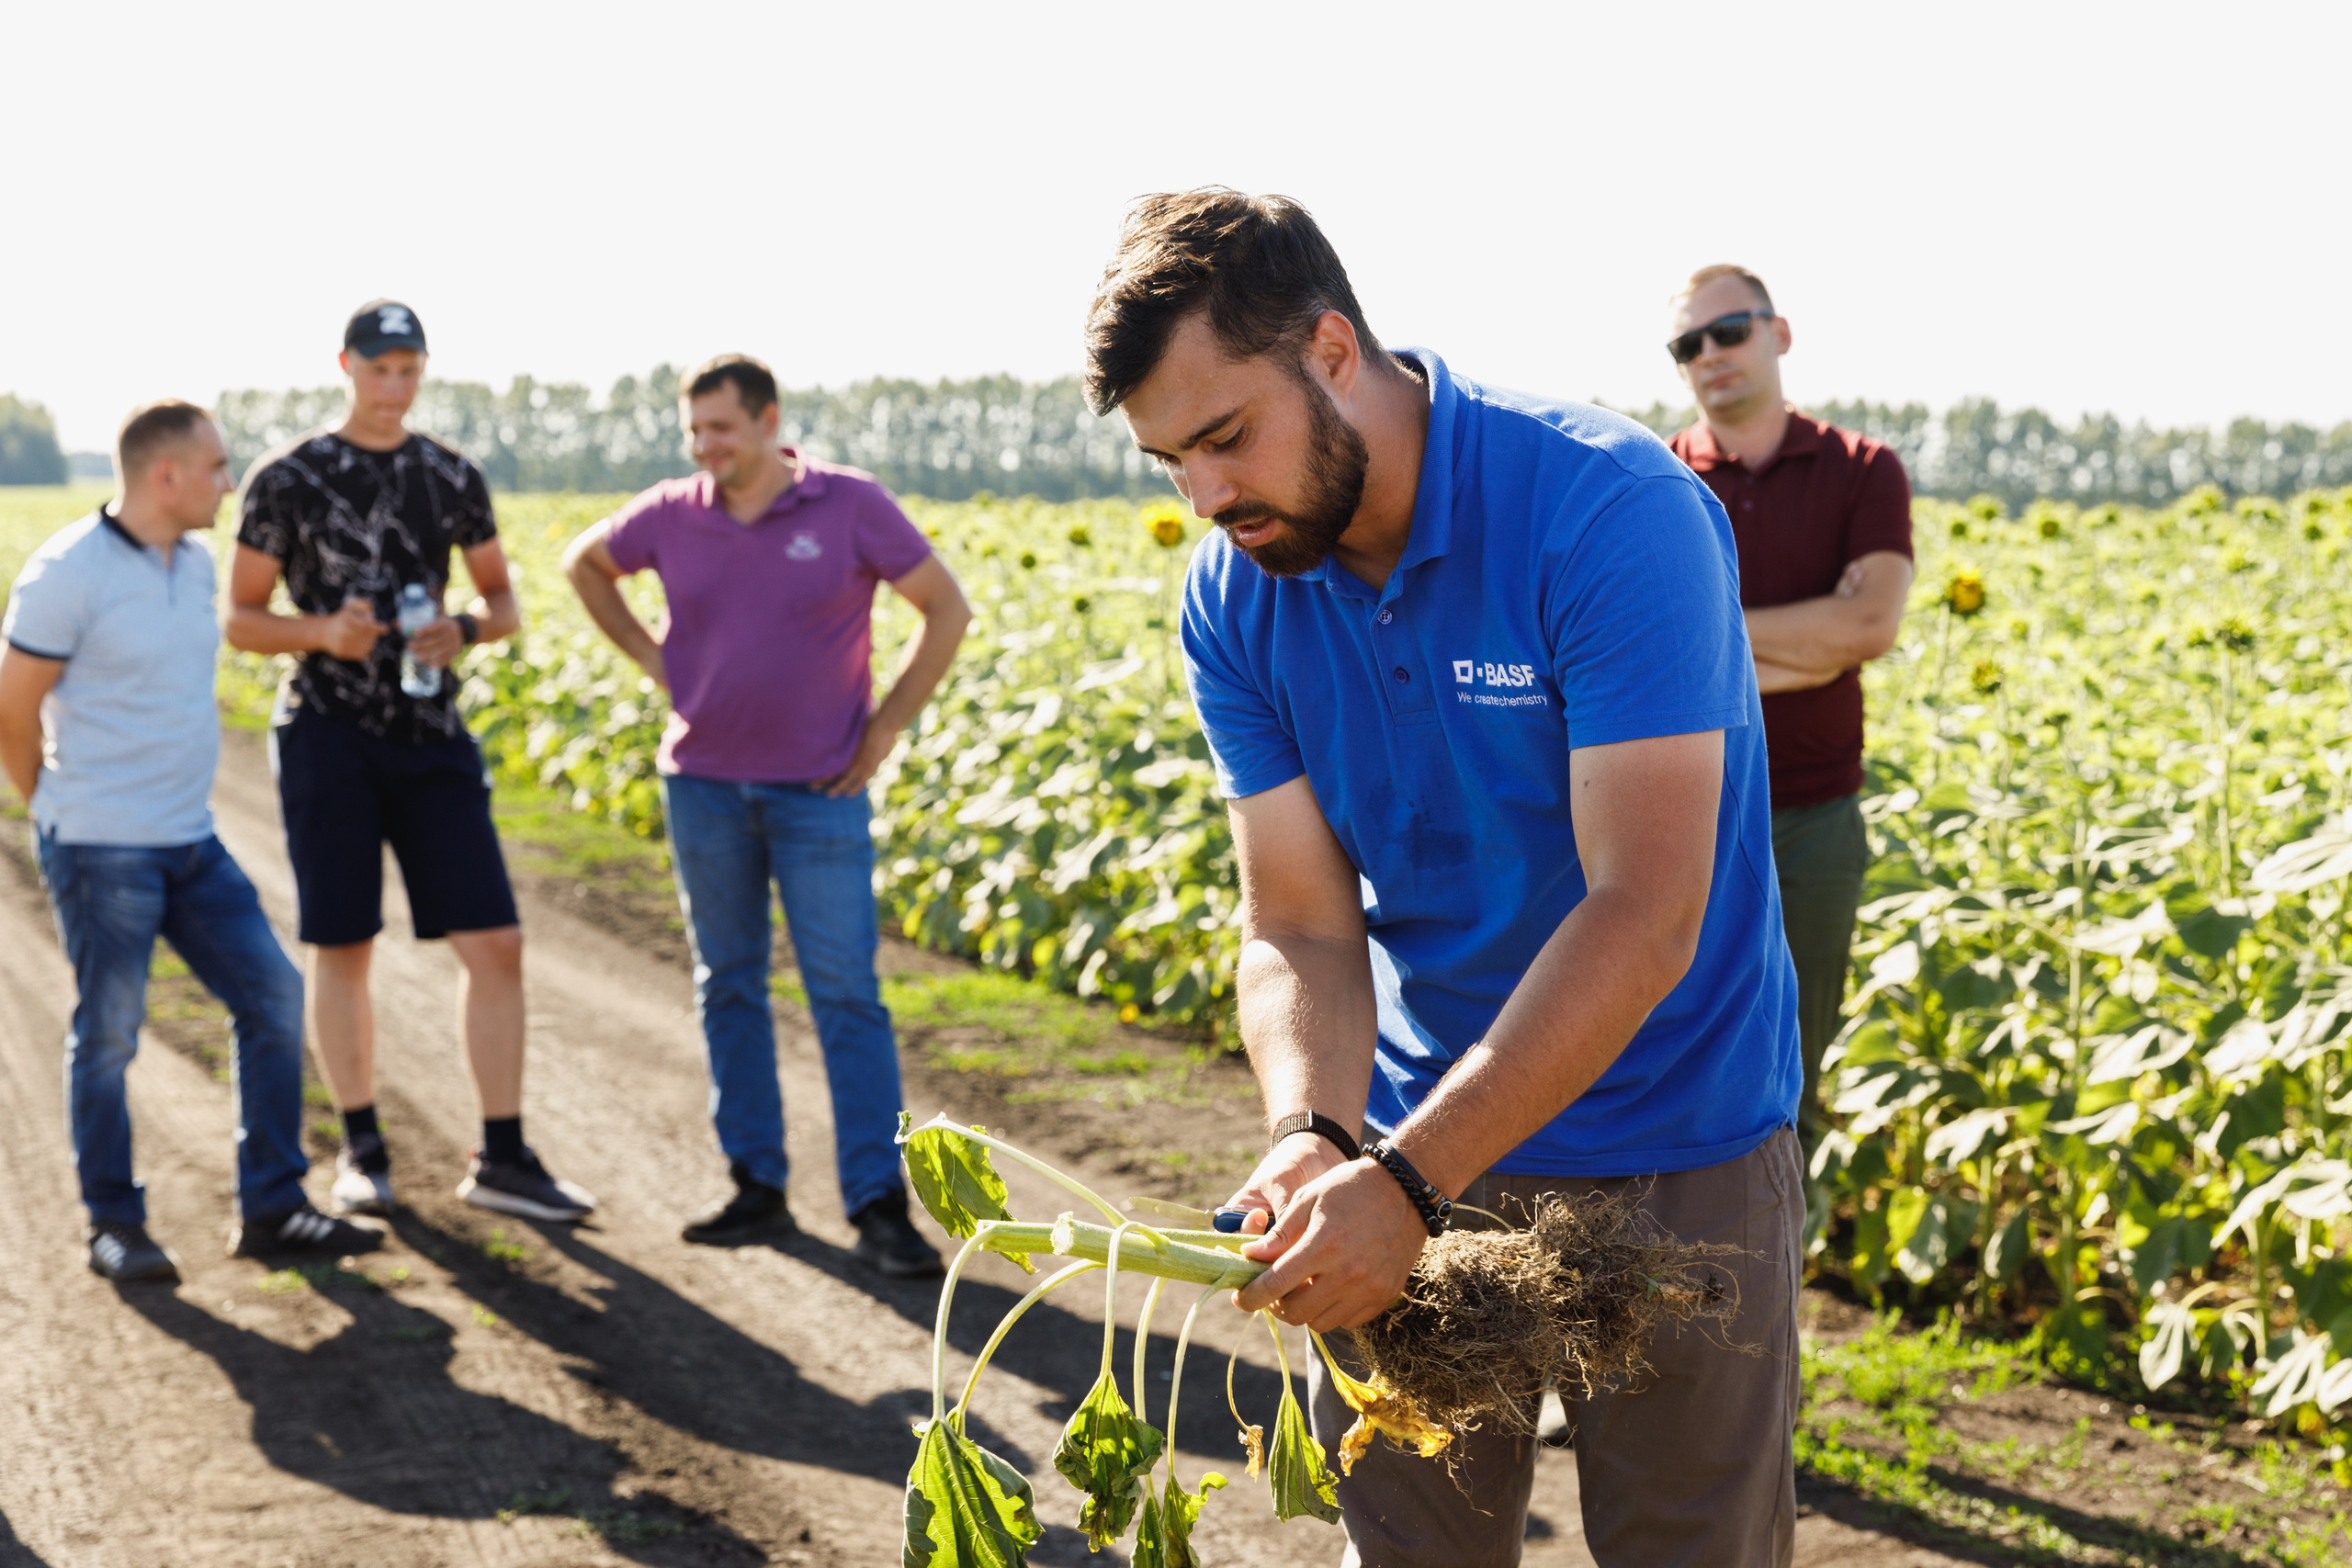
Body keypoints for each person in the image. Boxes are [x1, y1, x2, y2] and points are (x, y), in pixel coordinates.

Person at [1085, 190, 1803, 1566]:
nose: (1208, 498)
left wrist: (1403, 1178)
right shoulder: (1240, 591)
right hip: (1411, 1146)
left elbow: (1646, 913)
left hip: (1680, 1146)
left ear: (1335, 349)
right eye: (1170, 461)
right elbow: (1296, 918)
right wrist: (1314, 1131)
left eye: (1227, 436)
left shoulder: (1609, 510)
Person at [561, 354, 970, 1273]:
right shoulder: (672, 512)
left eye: (723, 429)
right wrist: (654, 660)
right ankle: (756, 1185)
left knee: (845, 995)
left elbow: (946, 609)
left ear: (768, 420)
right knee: (729, 984)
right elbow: (583, 565)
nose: (707, 447)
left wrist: (884, 732)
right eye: (694, 431)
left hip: (819, 794)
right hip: (702, 785)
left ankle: (876, 1203)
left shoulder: (847, 504)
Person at [223, 300, 595, 1224]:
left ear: (423, 371)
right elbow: (238, 617)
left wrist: (462, 628)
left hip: (431, 737)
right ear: (345, 364)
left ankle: (503, 1157)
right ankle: (362, 1152)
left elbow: (503, 599)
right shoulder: (287, 477)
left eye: (409, 369)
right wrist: (322, 633)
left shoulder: (450, 474)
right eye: (379, 368)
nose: (394, 387)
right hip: (325, 733)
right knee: (342, 944)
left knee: (495, 944)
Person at [0, 400, 381, 1279]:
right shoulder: (67, 572)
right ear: (165, 475)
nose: (228, 480)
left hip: (190, 839)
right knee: (109, 1032)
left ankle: (274, 1206)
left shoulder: (199, 560)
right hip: (100, 846)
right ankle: (114, 1222)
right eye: (216, 466)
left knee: (274, 997)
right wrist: (57, 808)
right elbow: (14, 711)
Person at [1663, 265, 1914, 1145]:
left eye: (1728, 331)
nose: (1710, 356)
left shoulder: (1862, 469)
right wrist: (1810, 641)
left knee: (1791, 1076)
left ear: (1779, 332)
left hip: (1815, 816)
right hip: (1682, 814)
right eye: (1688, 345)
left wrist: (1709, 654)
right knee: (1669, 1064)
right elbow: (1637, 656)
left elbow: (1871, 622)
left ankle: (1778, 1279)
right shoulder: (1655, 478)